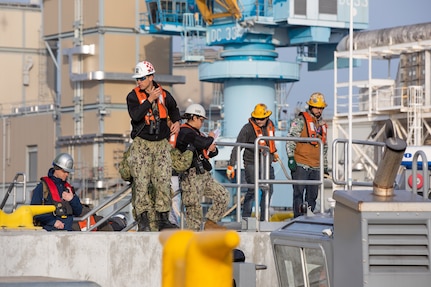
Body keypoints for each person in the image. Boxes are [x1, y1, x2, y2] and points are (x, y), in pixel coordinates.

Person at [126, 60, 181, 231]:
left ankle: (163, 218)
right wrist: (149, 100)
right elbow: (135, 116)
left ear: (151, 77)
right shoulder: (133, 96)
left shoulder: (164, 94)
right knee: (141, 181)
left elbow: (174, 109)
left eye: (142, 78)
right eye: (137, 79)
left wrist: (177, 122)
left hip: (161, 144)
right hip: (142, 143)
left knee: (163, 180)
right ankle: (143, 219)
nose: (139, 82)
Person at [176, 103, 229, 231]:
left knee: (223, 196)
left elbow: (210, 149)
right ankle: (192, 236)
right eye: (200, 120)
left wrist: (211, 146)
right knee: (193, 208)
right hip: (191, 176)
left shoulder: (197, 133)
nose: (202, 123)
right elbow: (202, 143)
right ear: (193, 117)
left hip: (203, 174)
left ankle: (210, 223)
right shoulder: (185, 132)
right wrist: (210, 138)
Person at [226, 103, 278, 221]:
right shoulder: (247, 129)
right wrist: (231, 165)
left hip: (266, 163)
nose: (259, 121)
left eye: (262, 119)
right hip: (251, 163)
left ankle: (264, 218)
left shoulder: (270, 125)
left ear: (267, 117)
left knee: (268, 189)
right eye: (257, 118)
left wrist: (274, 152)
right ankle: (246, 219)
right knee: (253, 189)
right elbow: (237, 146)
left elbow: (271, 143)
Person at [286, 92, 328, 218]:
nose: (319, 110)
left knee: (312, 196)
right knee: (298, 193)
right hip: (300, 164)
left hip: (315, 166)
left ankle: (309, 218)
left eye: (321, 108)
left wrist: (324, 166)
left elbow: (324, 147)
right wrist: (291, 157)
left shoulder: (322, 126)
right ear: (310, 107)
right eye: (316, 107)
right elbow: (291, 139)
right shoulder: (300, 121)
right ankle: (298, 219)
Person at [30, 153, 83, 231]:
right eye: (64, 171)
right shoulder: (42, 187)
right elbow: (34, 210)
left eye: (68, 172)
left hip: (68, 232)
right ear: (56, 168)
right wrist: (52, 221)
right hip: (49, 232)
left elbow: (78, 211)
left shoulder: (68, 188)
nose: (67, 174)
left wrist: (72, 199)